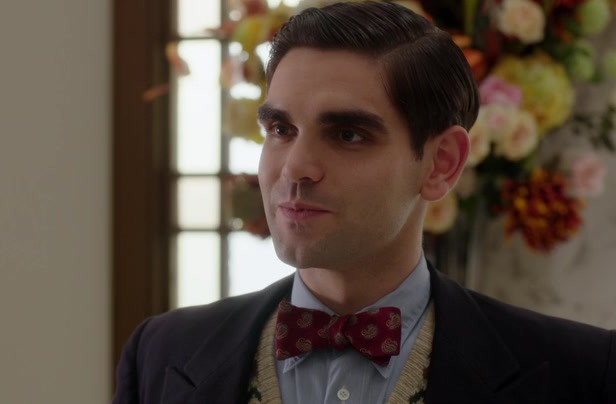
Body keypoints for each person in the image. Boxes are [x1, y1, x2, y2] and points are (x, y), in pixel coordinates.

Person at [112, 2, 616, 403]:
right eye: (281, 129)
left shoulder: (582, 374)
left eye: (348, 134)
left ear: (440, 164)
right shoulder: (162, 354)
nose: (295, 168)